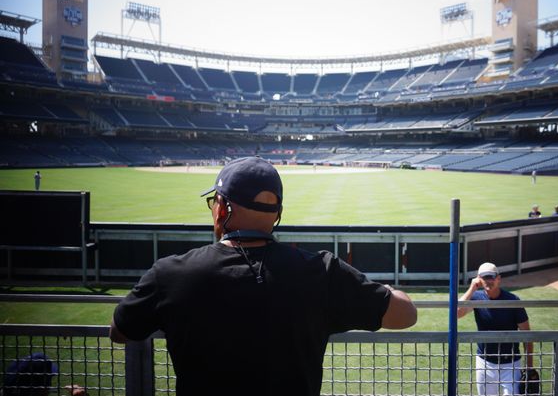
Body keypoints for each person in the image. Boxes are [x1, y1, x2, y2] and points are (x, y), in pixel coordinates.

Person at [109, 157, 417, 395]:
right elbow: (406, 314)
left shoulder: (170, 274)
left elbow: (120, 331)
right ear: (277, 215)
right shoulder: (323, 273)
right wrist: (388, 290)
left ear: (222, 209)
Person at [457, 262, 533, 396]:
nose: (488, 281)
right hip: (484, 362)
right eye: (484, 277)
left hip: (511, 363)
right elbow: (456, 313)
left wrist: (530, 367)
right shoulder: (476, 297)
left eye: (491, 277)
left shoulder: (513, 300)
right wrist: (472, 288)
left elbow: (527, 334)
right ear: (479, 279)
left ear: (498, 278)